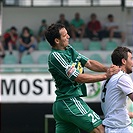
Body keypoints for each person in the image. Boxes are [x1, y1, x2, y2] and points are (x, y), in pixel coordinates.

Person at [45, 23, 120, 133]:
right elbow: (78, 78)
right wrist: (106, 76)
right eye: (65, 35)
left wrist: (107, 69)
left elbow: (88, 63)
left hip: (63, 104)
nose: (68, 36)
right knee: (100, 130)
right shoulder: (55, 56)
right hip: (69, 101)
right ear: (57, 40)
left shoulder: (69, 49)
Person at [101, 46, 133, 133]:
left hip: (111, 127)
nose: (132, 63)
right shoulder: (122, 77)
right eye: (131, 59)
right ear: (124, 61)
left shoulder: (108, 79)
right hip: (121, 128)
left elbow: (114, 107)